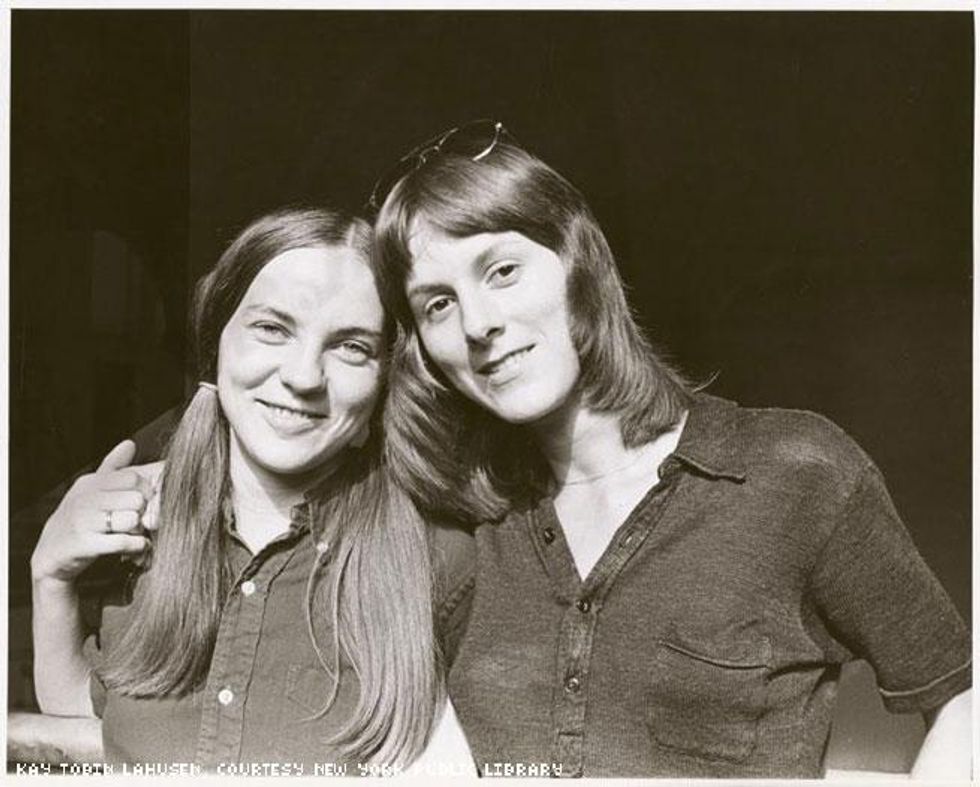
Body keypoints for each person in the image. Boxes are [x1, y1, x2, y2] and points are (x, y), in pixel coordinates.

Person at [369, 120, 972, 778]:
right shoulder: (461, 529)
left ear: (579, 262)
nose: (478, 323)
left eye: (503, 271)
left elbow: (964, 700)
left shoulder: (797, 472)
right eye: (437, 304)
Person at [30, 207, 471, 772]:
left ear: (384, 385)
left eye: (351, 347)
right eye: (272, 328)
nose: (304, 376)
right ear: (216, 345)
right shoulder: (145, 534)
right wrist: (51, 575)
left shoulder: (440, 561)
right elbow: (94, 717)